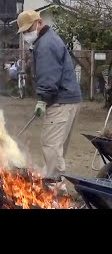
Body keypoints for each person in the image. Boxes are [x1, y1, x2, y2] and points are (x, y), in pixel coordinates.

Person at [16, 10, 82, 193]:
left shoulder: (45, 44)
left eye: (28, 29)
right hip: (68, 99)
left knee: (50, 143)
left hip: (61, 100)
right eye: (23, 32)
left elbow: (48, 74)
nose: (26, 34)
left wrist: (43, 99)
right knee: (56, 145)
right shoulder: (48, 40)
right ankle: (55, 183)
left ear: (39, 23)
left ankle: (55, 188)